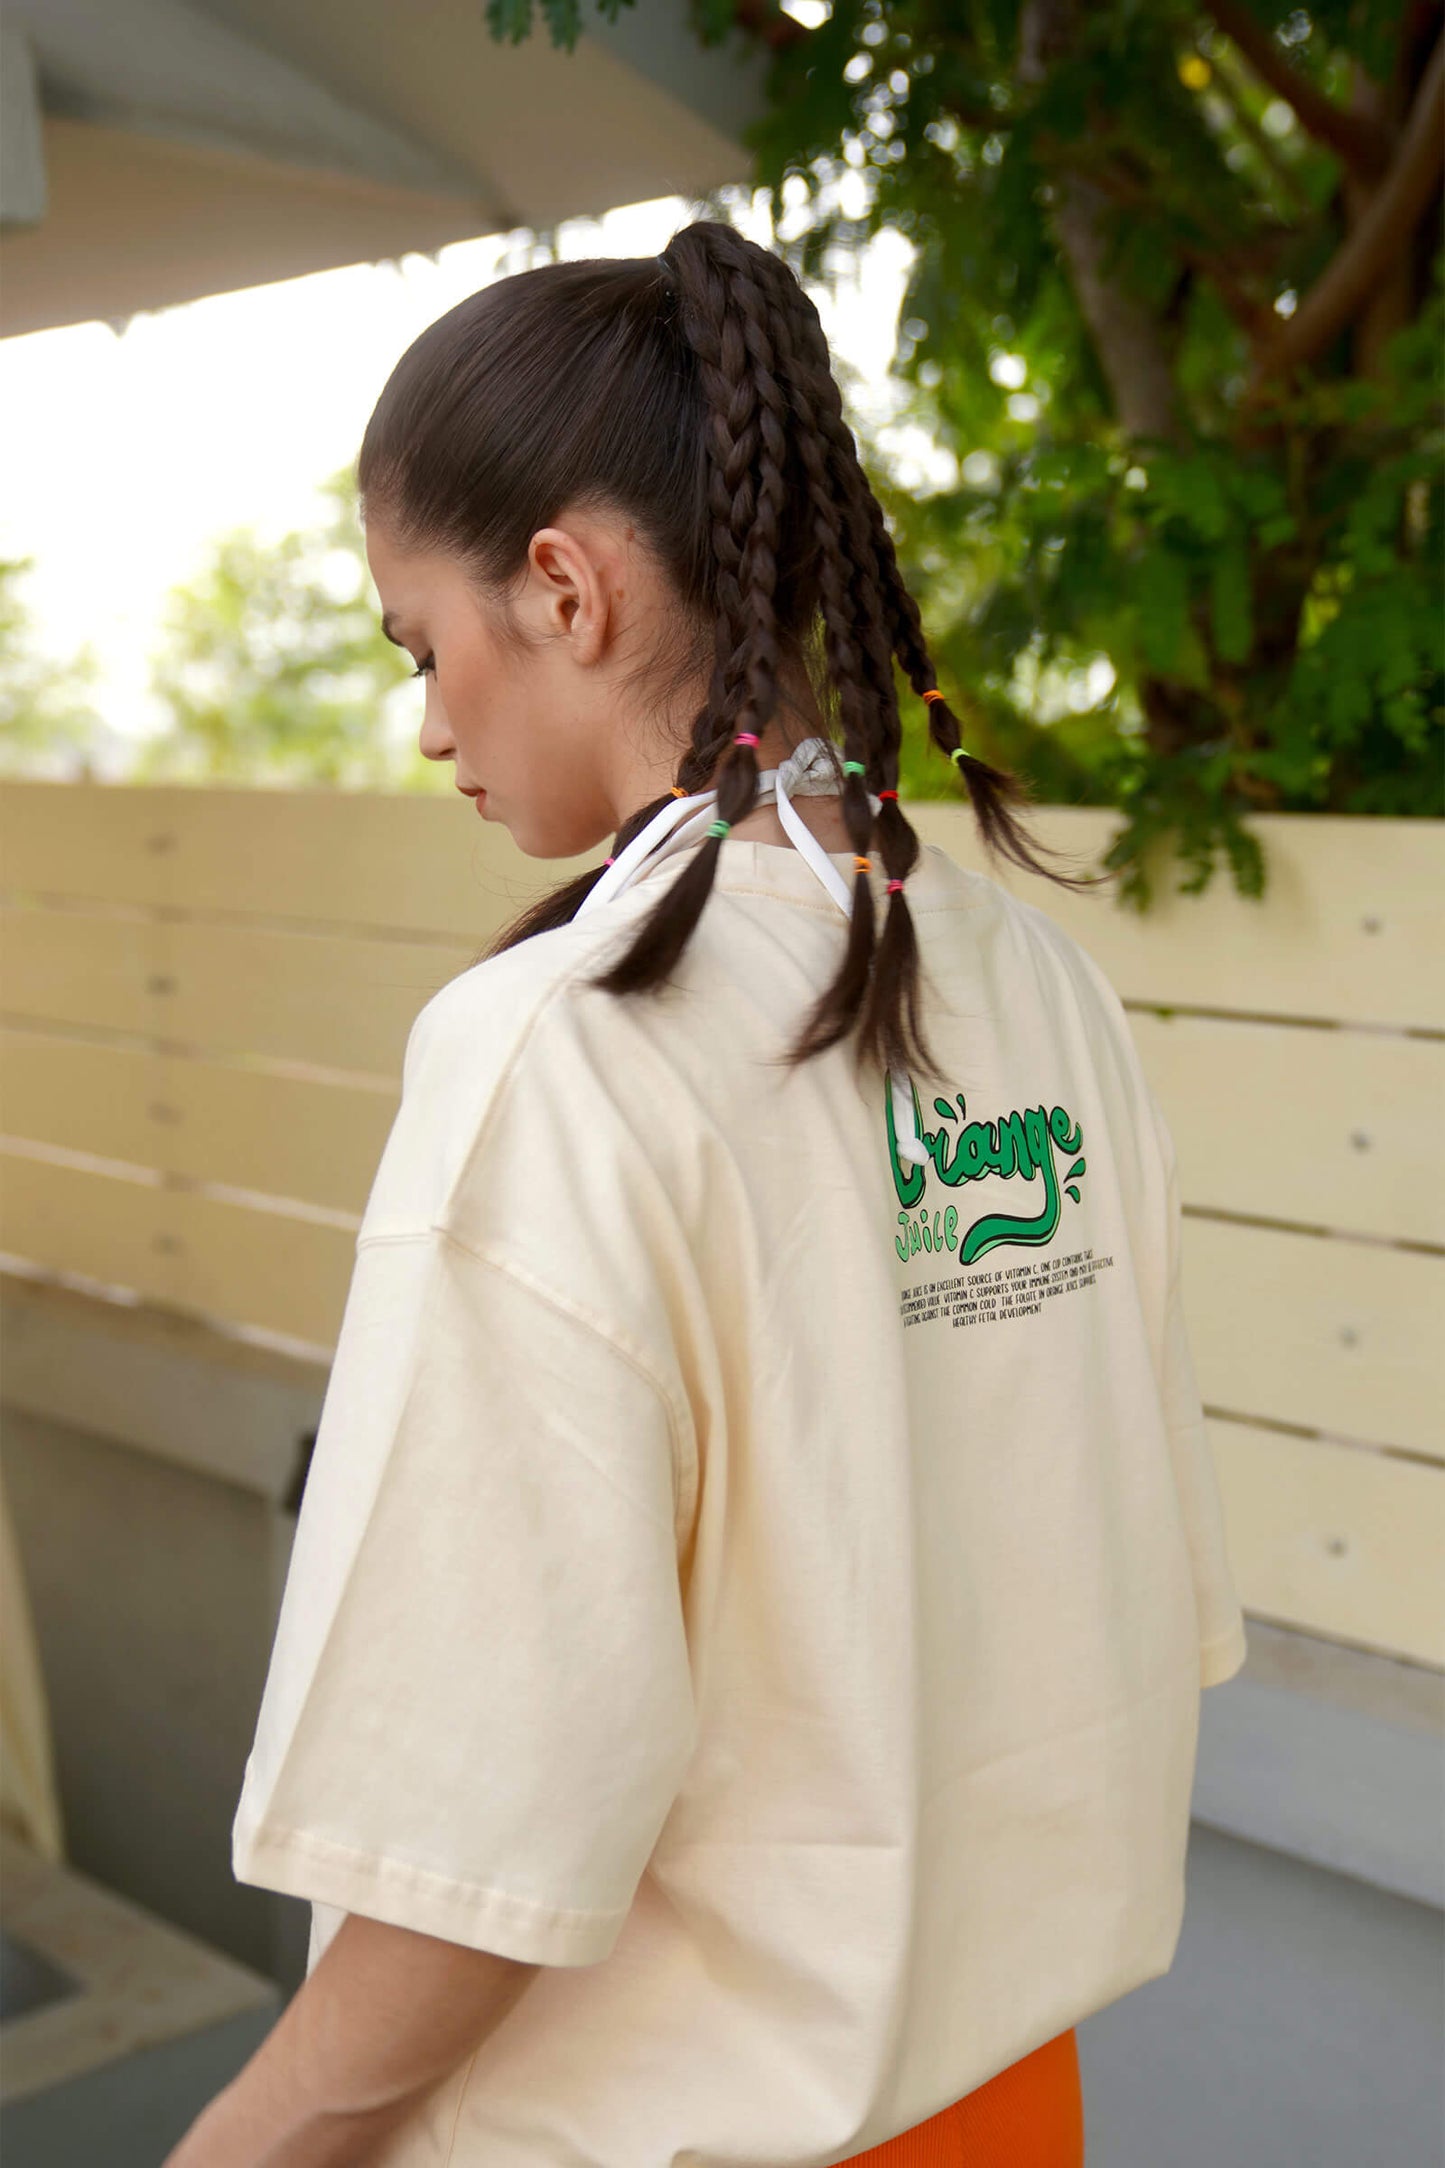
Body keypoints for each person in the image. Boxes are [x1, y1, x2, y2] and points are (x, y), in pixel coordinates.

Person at [166, 219, 1247, 2168]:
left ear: (562, 588)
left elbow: (471, 1839)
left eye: (426, 645)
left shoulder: (566, 1053)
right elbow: (1127, 1604)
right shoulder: (1046, 998)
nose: (428, 725)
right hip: (1013, 2112)